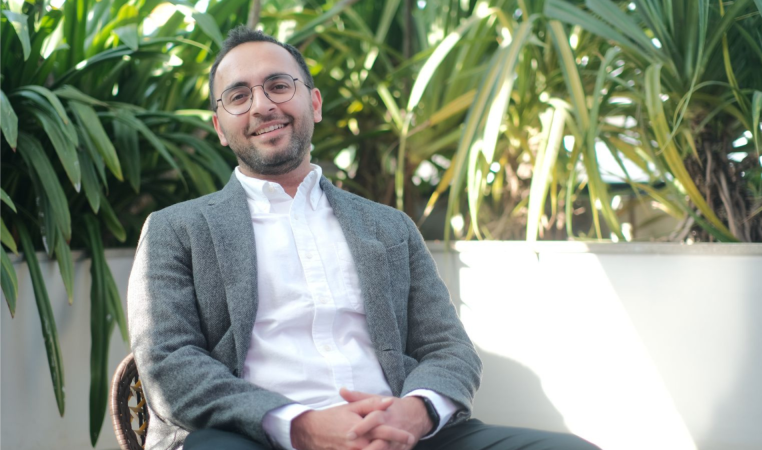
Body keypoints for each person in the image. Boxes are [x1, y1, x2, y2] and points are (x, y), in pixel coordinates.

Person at [127, 26, 601, 450]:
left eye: (279, 86)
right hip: (252, 436)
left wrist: (414, 413)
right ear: (220, 128)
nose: (262, 105)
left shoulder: (389, 226)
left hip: (401, 435)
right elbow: (169, 364)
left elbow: (448, 348)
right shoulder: (176, 229)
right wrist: (301, 426)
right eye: (238, 96)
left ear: (313, 103)